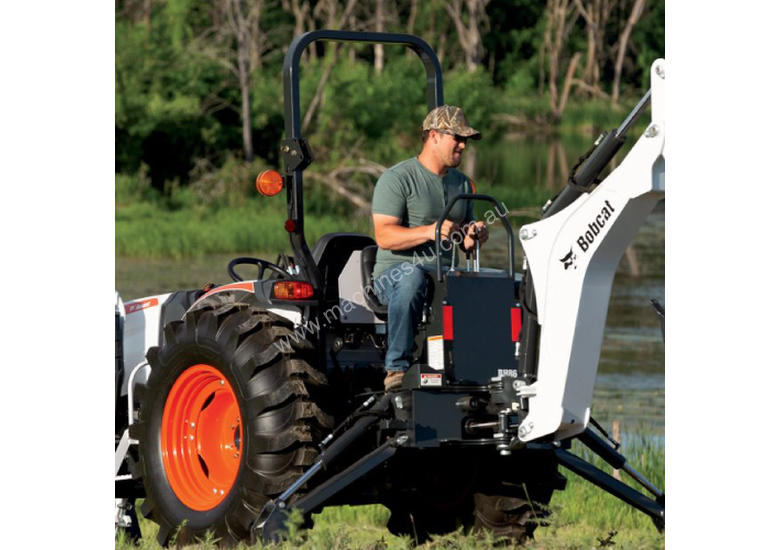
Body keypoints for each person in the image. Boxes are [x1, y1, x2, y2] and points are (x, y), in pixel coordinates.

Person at [371, 105, 489, 391]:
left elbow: (464, 239)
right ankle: (396, 369)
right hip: (396, 277)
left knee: (490, 283)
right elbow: (384, 237)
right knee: (412, 277)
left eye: (466, 140)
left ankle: (482, 371)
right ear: (434, 136)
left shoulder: (462, 184)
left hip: (444, 274)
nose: (463, 145)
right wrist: (430, 231)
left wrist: (473, 236)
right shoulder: (397, 178)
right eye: (457, 138)